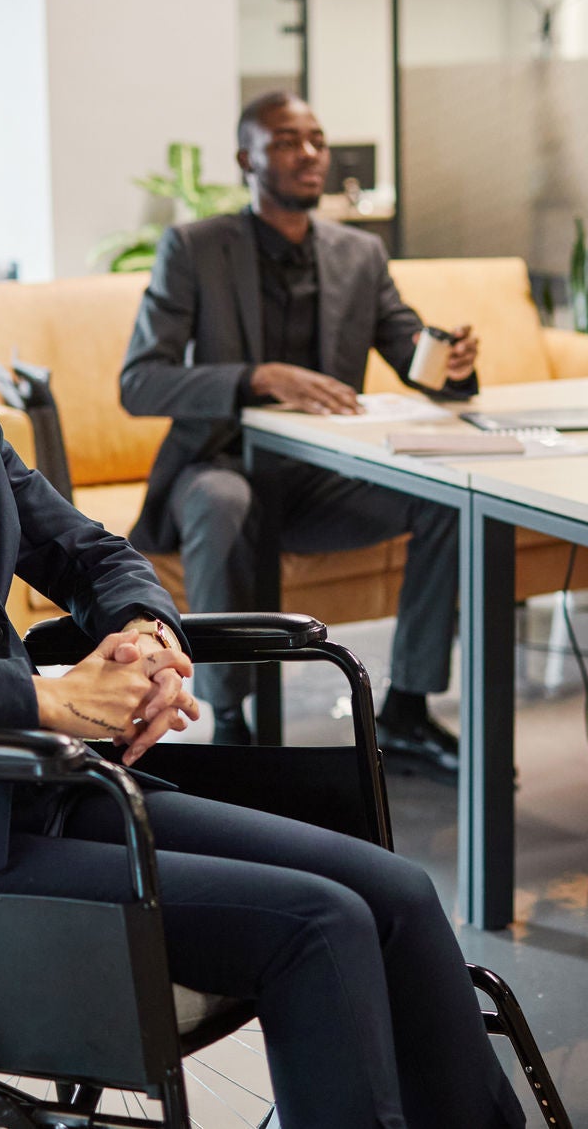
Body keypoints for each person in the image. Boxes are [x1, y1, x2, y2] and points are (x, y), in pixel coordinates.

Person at [0, 117, 526, 1128]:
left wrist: (149, 632)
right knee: (318, 923)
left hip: (41, 791)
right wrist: (45, 696)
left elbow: (89, 552)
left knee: (397, 890)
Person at [120, 91, 475, 770]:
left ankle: (406, 706)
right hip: (219, 465)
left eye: (316, 138)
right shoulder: (196, 247)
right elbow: (140, 381)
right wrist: (257, 376)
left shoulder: (359, 253)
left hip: (321, 482)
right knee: (224, 501)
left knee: (445, 502)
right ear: (246, 157)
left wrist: (451, 361)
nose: (309, 153)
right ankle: (232, 720)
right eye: (287, 140)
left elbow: (412, 355)